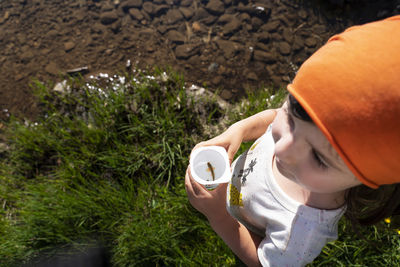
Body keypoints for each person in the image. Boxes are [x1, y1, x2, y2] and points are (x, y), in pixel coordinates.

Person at [185, 15, 400, 266]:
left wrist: (219, 216)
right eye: (292, 114)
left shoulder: (303, 231)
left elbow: (261, 260)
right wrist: (238, 130)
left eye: (318, 157)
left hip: (243, 227)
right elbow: (273, 115)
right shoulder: (300, 138)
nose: (283, 147)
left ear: (367, 180)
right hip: (232, 195)